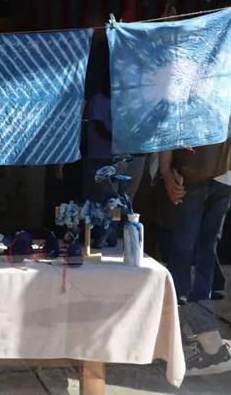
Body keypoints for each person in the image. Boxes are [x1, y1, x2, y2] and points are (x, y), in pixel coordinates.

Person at [158, 127, 231, 375]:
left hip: (193, 168)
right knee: (202, 255)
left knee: (183, 256)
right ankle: (205, 341)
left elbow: (173, 113)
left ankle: (196, 341)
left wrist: (165, 168)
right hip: (223, 172)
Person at [82, 73, 145, 247]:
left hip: (125, 157)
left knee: (122, 200)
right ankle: (99, 238)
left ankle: (113, 239)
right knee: (105, 199)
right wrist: (120, 139)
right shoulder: (98, 100)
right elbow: (99, 127)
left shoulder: (128, 102)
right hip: (102, 157)